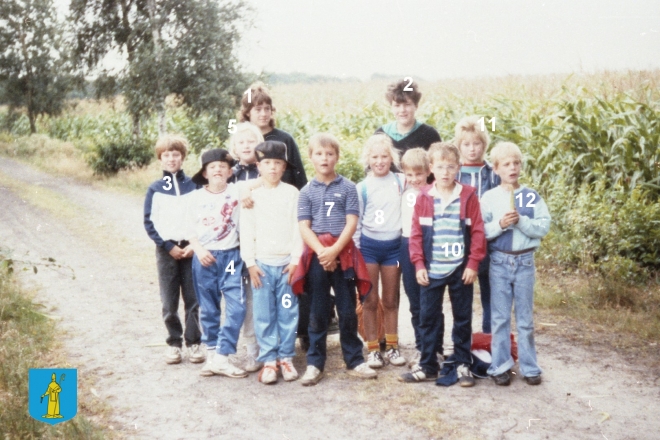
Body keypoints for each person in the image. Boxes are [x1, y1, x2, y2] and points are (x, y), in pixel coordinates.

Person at [291, 133, 377, 386]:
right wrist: (322, 252)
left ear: (337, 157)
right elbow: (304, 226)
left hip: (344, 255)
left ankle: (354, 360)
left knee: (347, 308)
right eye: (319, 154)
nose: (324, 158)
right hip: (318, 256)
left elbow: (352, 221)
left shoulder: (348, 187)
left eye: (329, 154)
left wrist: (336, 250)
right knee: (317, 309)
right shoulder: (306, 192)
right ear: (311, 157)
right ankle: (315, 363)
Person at [237, 82, 317, 349]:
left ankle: (300, 333)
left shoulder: (284, 139)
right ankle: (261, 344)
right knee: (258, 289)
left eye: (266, 109)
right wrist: (247, 189)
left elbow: (300, 180)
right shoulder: (242, 140)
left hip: (287, 212)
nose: (262, 114)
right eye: (256, 109)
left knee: (293, 275)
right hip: (257, 225)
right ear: (246, 112)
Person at [400, 142, 486, 387]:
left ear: (458, 168)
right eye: (440, 167)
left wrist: (472, 263)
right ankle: (428, 364)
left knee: (462, 318)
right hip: (432, 269)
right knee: (428, 317)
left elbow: (478, 232)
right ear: (431, 168)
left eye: (450, 167)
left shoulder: (468, 195)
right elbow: (415, 234)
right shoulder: (424, 197)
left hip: (460, 269)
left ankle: (462, 363)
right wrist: (419, 264)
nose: (446, 172)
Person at [480, 142, 551, 386]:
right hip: (499, 262)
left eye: (516, 163)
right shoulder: (489, 197)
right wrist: (500, 224)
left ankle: (530, 367)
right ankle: (500, 365)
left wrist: (521, 222)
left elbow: (543, 227)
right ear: (496, 168)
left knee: (525, 318)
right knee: (499, 318)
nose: (512, 168)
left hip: (524, 262)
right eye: (507, 164)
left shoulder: (531, 196)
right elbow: (481, 231)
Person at [187, 149, 259, 378]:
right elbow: (188, 229)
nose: (217, 169)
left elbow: (264, 178)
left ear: (230, 172)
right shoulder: (195, 197)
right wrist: (198, 249)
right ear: (205, 173)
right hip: (205, 258)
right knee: (208, 307)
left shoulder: (236, 190)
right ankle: (212, 356)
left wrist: (247, 189)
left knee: (237, 307)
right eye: (212, 167)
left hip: (230, 257)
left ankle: (222, 356)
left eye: (222, 166)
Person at [240, 140, 303, 384]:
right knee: (263, 314)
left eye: (278, 163)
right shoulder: (251, 196)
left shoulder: (292, 194)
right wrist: (250, 263)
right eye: (267, 163)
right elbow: (247, 231)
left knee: (288, 311)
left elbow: (298, 229)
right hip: (262, 267)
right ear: (259, 166)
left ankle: (286, 357)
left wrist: (296, 260)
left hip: (287, 265)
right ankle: (268, 360)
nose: (273, 168)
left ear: (285, 166)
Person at [143, 134, 204, 365]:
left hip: (191, 249)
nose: (171, 159)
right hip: (167, 251)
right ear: (160, 159)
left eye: (175, 155)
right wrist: (168, 246)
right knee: (169, 302)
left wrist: (192, 245)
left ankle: (194, 342)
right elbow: (149, 222)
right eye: (166, 155)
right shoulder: (155, 189)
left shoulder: (194, 186)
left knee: (193, 299)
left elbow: (201, 217)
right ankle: (174, 343)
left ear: (182, 157)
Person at [354, 134, 406, 368]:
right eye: (375, 157)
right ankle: (373, 348)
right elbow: (357, 220)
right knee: (370, 299)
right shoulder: (362, 187)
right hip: (369, 248)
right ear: (368, 159)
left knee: (391, 299)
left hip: (393, 248)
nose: (380, 161)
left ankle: (393, 346)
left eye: (384, 156)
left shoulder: (401, 181)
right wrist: (356, 249)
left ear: (392, 157)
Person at [454, 116, 501, 334]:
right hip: (461, 238)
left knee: (491, 292)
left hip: (491, 238)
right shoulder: (454, 173)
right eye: (466, 144)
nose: (472, 149)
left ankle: (490, 340)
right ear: (459, 146)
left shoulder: (493, 173)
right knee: (462, 293)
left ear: (484, 145)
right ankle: (463, 342)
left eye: (477, 144)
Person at [228, 122, 266, 372]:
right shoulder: (229, 173)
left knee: (257, 295)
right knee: (237, 297)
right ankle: (244, 347)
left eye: (251, 142)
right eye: (241, 142)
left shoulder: (267, 171)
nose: (246, 146)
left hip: (261, 241)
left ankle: (262, 348)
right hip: (234, 242)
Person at [398, 147, 435, 369]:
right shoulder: (403, 193)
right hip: (406, 244)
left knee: (430, 299)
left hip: (428, 245)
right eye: (409, 175)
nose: (414, 179)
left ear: (428, 172)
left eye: (418, 174)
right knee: (414, 300)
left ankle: (434, 347)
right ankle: (421, 346)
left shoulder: (432, 193)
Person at [375, 79, 441, 161]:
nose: (402, 110)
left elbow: (438, 167)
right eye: (397, 105)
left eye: (407, 104)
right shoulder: (381, 134)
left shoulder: (429, 134)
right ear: (391, 107)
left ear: (416, 106)